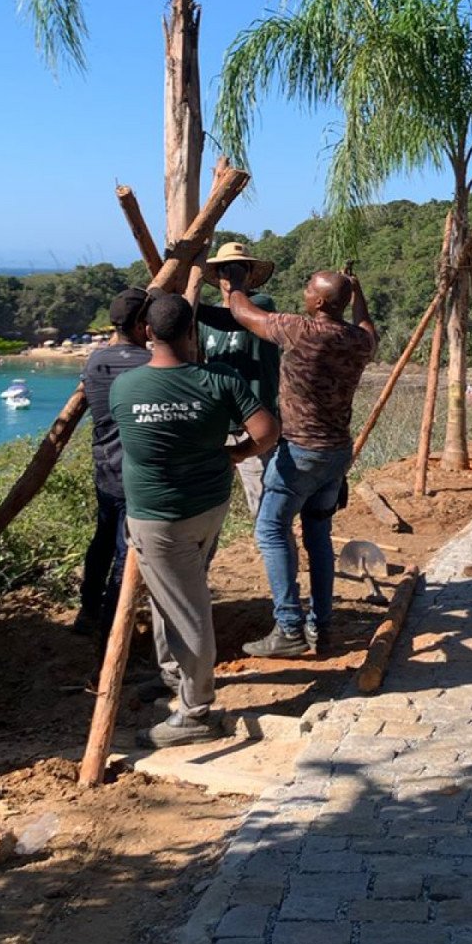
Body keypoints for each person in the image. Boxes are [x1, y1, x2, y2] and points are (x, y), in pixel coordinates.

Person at [110, 293, 279, 747]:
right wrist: (235, 453)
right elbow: (267, 429)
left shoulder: (126, 388)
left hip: (159, 520)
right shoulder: (219, 380)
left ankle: (195, 711)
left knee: (188, 610)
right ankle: (174, 676)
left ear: (147, 333)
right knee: (175, 598)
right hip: (208, 508)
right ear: (193, 333)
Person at [225, 269, 376, 657]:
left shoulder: (300, 331)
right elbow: (365, 323)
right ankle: (320, 626)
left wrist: (234, 282)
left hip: (301, 454)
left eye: (309, 288)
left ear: (320, 302)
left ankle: (289, 626)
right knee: (318, 536)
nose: (304, 290)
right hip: (337, 453)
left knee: (271, 529)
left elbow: (244, 315)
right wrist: (358, 293)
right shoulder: (358, 342)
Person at [71, 287, 151, 638]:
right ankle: (111, 630)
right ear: (139, 324)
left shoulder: (94, 362)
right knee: (125, 550)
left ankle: (88, 609)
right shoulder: (148, 364)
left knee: (102, 540)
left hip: (105, 469)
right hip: (137, 473)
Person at [197, 240, 281, 518]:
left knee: (263, 505)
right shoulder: (204, 320)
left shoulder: (261, 306)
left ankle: (276, 556)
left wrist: (188, 305)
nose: (229, 276)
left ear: (249, 274)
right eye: (224, 270)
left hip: (254, 426)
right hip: (218, 425)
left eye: (237, 269)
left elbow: (235, 317)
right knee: (206, 504)